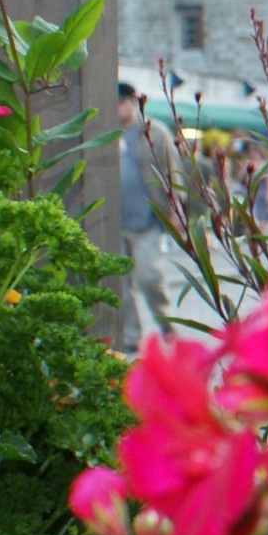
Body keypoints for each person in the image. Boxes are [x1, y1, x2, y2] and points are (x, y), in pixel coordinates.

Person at [114, 83, 177, 350]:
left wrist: (176, 212)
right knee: (119, 284)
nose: (116, 108)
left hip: (147, 219)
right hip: (115, 220)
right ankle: (131, 336)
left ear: (131, 101)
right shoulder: (107, 133)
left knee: (149, 276)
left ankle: (167, 325)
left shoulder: (154, 131)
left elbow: (173, 172)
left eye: (120, 102)